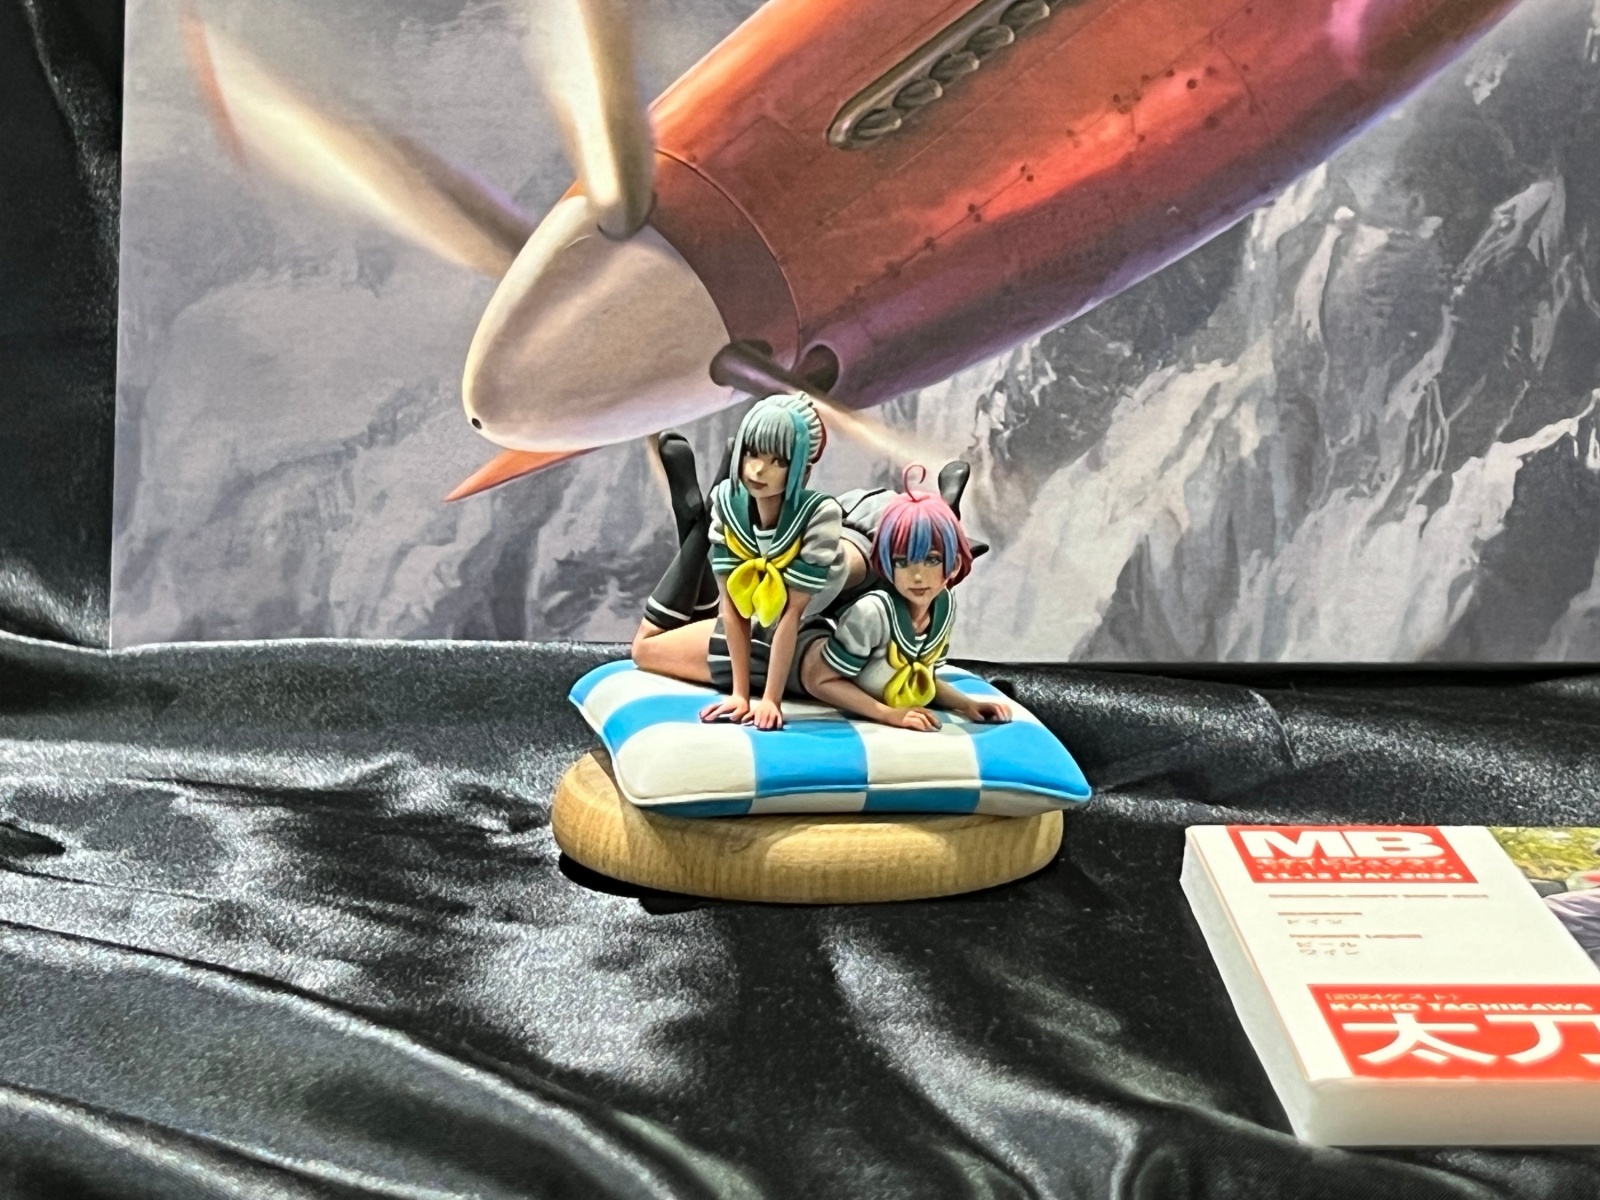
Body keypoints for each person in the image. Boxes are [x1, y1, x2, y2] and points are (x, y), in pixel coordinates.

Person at [631, 394, 844, 731]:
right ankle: (697, 523)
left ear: (802, 468)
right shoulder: (730, 503)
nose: (759, 469)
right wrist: (740, 695)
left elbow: (791, 615)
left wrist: (771, 700)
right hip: (761, 616)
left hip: (801, 618)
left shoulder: (820, 515)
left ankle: (694, 526)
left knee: (645, 646)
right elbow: (731, 605)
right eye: (752, 452)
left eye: (778, 461)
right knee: (668, 633)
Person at [798, 465, 1010, 731]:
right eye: (902, 562)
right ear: (888, 566)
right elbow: (818, 679)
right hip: (784, 654)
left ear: (954, 564)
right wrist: (888, 715)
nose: (918, 576)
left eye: (932, 560)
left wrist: (966, 704)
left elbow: (918, 677)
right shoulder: (872, 612)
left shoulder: (944, 606)